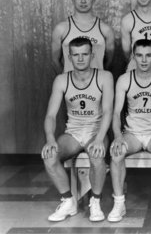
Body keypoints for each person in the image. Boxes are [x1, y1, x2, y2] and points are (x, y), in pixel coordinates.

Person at [41, 37, 114, 222]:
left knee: (97, 155)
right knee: (49, 156)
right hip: (73, 133)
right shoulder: (61, 80)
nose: (80, 59)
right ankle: (68, 201)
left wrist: (99, 139)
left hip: (96, 131)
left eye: (84, 54)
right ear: (69, 56)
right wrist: (50, 139)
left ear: (92, 55)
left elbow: (107, 111)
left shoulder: (105, 77)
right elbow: (50, 115)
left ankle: (95, 202)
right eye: (76, 55)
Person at [108, 39, 151, 223]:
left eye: (148, 55)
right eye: (139, 55)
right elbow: (115, 113)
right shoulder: (124, 79)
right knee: (116, 152)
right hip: (133, 134)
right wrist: (118, 136)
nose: (144, 60)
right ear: (133, 56)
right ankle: (119, 203)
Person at [51, 0, 115, 73]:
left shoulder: (105, 30)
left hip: (97, 86)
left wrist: (98, 78)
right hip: (70, 86)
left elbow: (109, 62)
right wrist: (68, 81)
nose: (83, 1)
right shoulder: (61, 29)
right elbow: (55, 61)